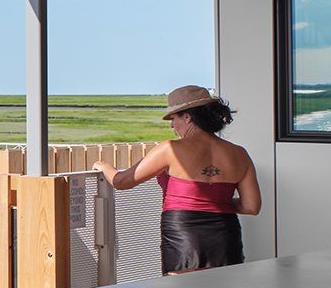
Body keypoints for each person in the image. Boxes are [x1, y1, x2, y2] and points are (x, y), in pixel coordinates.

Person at [93, 84, 260, 275]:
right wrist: (215, 200)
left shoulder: (170, 149)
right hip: (226, 235)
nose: (172, 125)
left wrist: (103, 165)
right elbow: (251, 207)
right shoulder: (240, 154)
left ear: (187, 117)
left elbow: (121, 182)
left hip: (184, 234)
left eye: (173, 118)